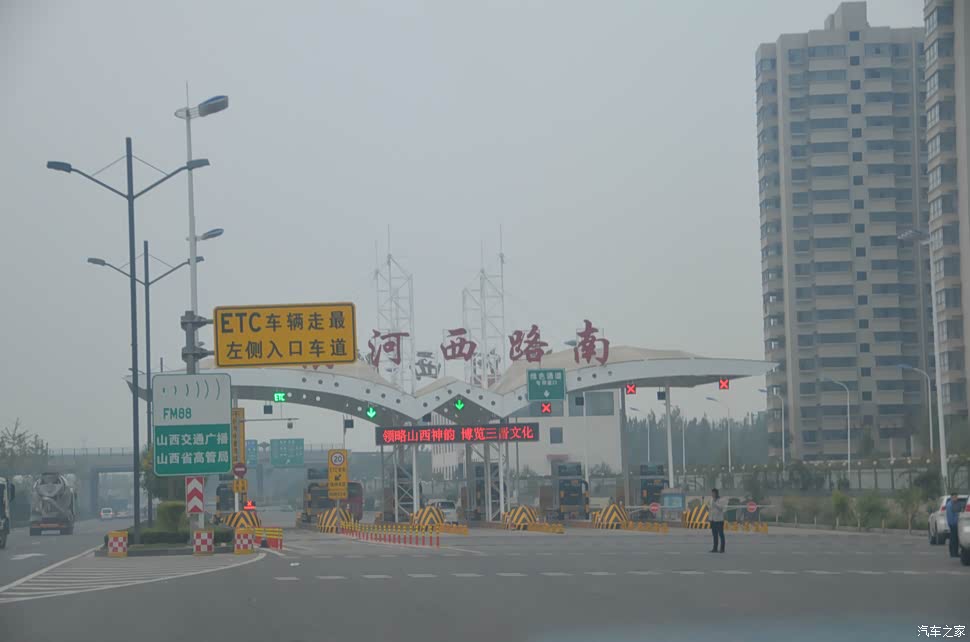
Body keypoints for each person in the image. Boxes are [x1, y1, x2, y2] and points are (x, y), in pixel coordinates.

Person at [709, 488, 727, 553]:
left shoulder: (721, 500)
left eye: (713, 493)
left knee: (721, 535)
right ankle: (715, 548)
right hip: (713, 520)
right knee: (715, 535)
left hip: (719, 520)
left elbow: (721, 508)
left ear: (716, 493)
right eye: (712, 493)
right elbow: (711, 510)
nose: (712, 494)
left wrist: (715, 504)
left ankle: (722, 549)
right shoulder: (711, 499)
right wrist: (710, 519)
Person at [945, 492, 961, 558]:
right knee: (954, 539)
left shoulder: (954, 504)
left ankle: (954, 553)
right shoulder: (950, 505)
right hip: (953, 524)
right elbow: (950, 516)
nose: (956, 498)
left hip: (955, 524)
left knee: (954, 539)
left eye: (956, 497)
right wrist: (953, 523)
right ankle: (954, 553)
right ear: (952, 497)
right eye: (955, 497)